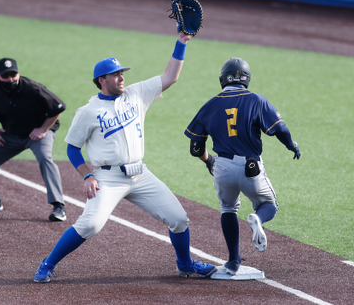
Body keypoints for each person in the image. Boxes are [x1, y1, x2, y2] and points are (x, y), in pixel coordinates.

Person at [33, 32, 217, 283]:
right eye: (116, 74)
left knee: (179, 219)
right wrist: (87, 175)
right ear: (101, 80)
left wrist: (181, 43)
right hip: (107, 178)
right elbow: (72, 148)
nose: (122, 77)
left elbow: (170, 77)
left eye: (122, 73)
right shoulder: (88, 112)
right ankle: (48, 263)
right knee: (90, 226)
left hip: (140, 174)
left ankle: (185, 264)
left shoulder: (136, 93)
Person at [184, 57, 301, 275]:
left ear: (223, 79)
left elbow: (195, 148)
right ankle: (258, 218)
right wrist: (291, 145)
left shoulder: (210, 104)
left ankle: (232, 261)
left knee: (228, 209)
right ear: (246, 79)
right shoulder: (256, 100)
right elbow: (281, 130)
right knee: (268, 204)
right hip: (251, 166)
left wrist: (210, 162)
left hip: (223, 166)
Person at [0, 58, 67, 222]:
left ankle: (58, 206)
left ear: (18, 74)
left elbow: (58, 107)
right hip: (11, 135)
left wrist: (43, 129)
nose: (10, 79)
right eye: (5, 76)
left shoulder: (33, 88)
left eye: (13, 75)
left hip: (38, 134)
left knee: (45, 158)